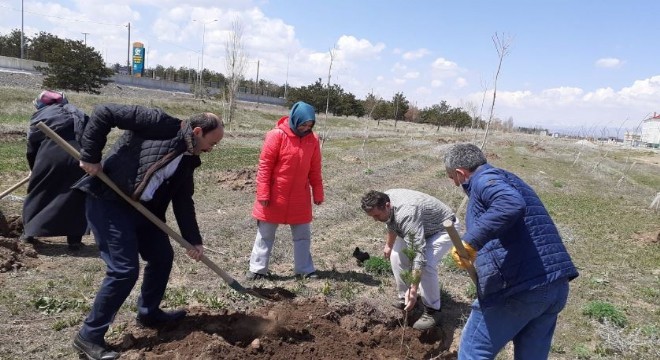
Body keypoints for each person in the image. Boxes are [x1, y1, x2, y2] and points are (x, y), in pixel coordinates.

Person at [70, 104, 224, 360]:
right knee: (124, 270)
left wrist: (193, 241)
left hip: (143, 209)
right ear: (198, 131)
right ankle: (88, 337)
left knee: (162, 256)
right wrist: (90, 155)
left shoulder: (188, 159)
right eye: (212, 143)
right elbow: (104, 112)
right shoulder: (158, 122)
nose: (211, 149)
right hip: (109, 200)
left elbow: (184, 202)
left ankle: (149, 313)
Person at [443, 143, 579, 360]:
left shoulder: (483, 181)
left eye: (453, 178)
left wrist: (470, 242)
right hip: (555, 285)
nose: (454, 183)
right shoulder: (509, 178)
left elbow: (510, 204)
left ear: (460, 172)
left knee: (473, 351)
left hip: (520, 288)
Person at [247, 101, 324, 280]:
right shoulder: (277, 135)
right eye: (303, 124)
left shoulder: (313, 140)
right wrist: (263, 193)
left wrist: (318, 192)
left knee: (303, 236)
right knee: (265, 235)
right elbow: (265, 166)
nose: (306, 128)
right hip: (275, 195)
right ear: (294, 119)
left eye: (309, 125)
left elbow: (315, 169)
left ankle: (304, 269)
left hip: (300, 197)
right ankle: (257, 269)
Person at [360, 189, 456, 330]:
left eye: (376, 215)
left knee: (427, 264)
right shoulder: (385, 200)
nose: (375, 219)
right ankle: (406, 298)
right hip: (417, 229)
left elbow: (418, 254)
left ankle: (432, 310)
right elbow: (392, 222)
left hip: (441, 229)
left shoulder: (407, 214)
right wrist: (389, 245)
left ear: (387, 205)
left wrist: (414, 286)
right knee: (396, 255)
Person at [21, 90, 88, 250]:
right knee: (75, 195)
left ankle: (28, 234)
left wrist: (34, 168)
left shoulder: (40, 116)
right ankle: (74, 240)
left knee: (39, 192)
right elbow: (92, 138)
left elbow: (32, 146)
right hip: (78, 156)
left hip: (49, 155)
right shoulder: (80, 114)